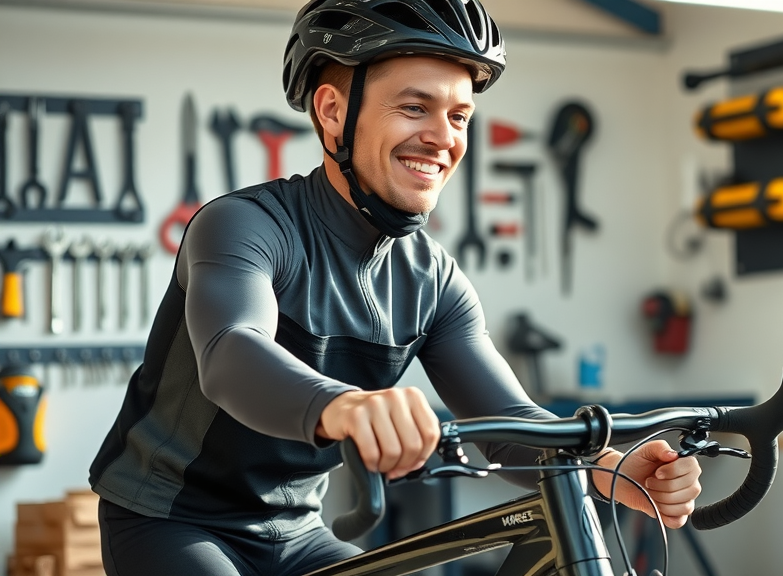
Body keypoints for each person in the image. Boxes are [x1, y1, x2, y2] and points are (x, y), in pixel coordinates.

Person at [89, 1, 702, 574]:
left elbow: (509, 422)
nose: (445, 137)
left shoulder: (433, 281)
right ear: (332, 112)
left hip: (296, 530)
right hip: (171, 519)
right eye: (415, 108)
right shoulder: (245, 225)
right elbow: (230, 351)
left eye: (459, 116)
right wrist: (344, 404)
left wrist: (609, 470)